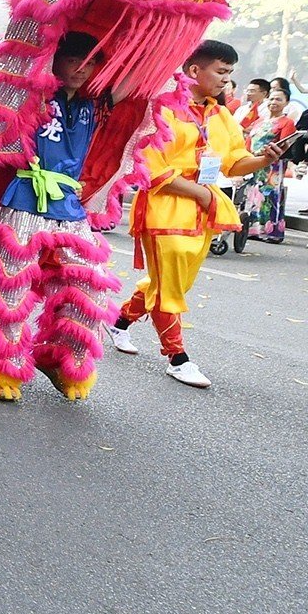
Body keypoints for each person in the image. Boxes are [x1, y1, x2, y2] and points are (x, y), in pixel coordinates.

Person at [111, 41, 289, 387]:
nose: (226, 80)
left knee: (171, 282)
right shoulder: (161, 109)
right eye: (221, 72)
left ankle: (119, 322)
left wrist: (266, 158)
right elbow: (151, 166)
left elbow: (235, 162)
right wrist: (201, 194)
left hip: (203, 207)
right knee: (169, 285)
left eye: (229, 74)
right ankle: (177, 358)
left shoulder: (221, 115)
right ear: (194, 71)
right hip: (165, 205)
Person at [0, 32, 117, 401]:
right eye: (74, 59)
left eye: (91, 61)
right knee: (10, 285)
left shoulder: (98, 103)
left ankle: (61, 358)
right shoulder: (30, 95)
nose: (81, 68)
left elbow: (145, 76)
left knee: (90, 286)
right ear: (55, 60)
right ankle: (0, 364)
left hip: (69, 206)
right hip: (21, 199)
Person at [239, 91, 296, 245]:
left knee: (271, 196)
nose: (274, 102)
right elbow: (249, 141)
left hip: (273, 165)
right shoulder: (259, 121)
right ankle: (253, 229)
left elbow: (285, 144)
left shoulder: (287, 122)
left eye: (279, 99)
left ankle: (272, 231)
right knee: (253, 193)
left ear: (286, 103)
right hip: (254, 161)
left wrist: (268, 155)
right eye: (271, 99)